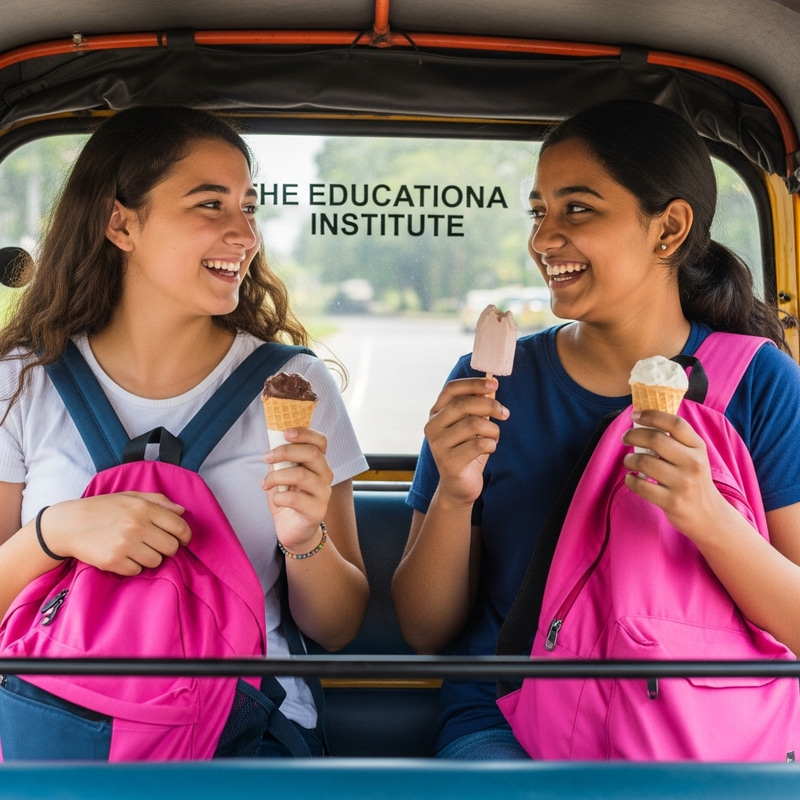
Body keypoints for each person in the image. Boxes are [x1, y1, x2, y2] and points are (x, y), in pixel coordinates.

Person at [392, 99, 800, 760]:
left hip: (698, 727)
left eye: (577, 209)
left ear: (668, 229)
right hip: (509, 721)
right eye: (538, 212)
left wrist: (710, 519)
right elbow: (424, 632)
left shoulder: (760, 384)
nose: (542, 239)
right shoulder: (489, 381)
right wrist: (455, 494)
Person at [0, 106, 370, 757]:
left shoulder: (295, 385)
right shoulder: (21, 381)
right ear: (122, 223)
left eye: (248, 206)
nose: (245, 233)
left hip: (242, 723)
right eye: (210, 205)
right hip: (61, 716)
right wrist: (55, 533)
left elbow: (338, 629)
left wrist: (304, 538)